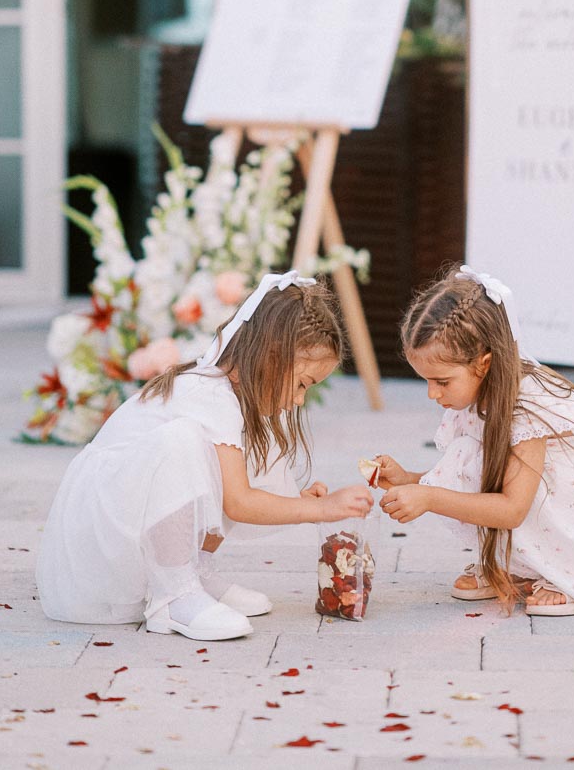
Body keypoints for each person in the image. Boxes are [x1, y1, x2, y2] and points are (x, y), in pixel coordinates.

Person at [37, 272, 372, 642]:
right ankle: (174, 596)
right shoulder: (208, 393)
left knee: (229, 461)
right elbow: (240, 503)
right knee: (183, 441)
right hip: (97, 557)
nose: (298, 401)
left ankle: (193, 571)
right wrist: (322, 511)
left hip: (121, 533)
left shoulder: (228, 399)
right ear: (271, 355)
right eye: (302, 384)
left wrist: (296, 503)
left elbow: (233, 495)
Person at [376, 265, 574, 616]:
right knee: (465, 452)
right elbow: (477, 468)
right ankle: (521, 567)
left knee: (481, 464)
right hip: (536, 499)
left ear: (484, 364)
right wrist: (409, 480)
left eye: (441, 381)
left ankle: (570, 573)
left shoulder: (526, 408)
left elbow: (514, 509)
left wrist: (428, 497)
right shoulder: (475, 395)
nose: (431, 393)